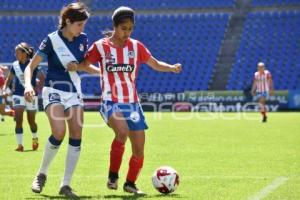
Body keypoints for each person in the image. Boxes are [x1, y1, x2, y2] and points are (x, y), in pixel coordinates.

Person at [67, 6, 182, 195]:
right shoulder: (101, 46)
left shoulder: (136, 47)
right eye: (123, 28)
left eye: (130, 28)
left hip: (133, 103)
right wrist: (75, 66)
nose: (126, 32)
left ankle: (130, 183)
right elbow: (86, 64)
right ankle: (113, 176)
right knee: (122, 132)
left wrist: (171, 68)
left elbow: (154, 63)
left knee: (139, 150)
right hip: (110, 101)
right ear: (115, 26)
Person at [23, 2, 98, 198]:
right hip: (53, 90)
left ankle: (65, 185)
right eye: (79, 25)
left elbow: (84, 66)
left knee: (76, 133)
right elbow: (30, 67)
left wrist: (102, 73)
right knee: (58, 131)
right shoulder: (51, 40)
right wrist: (29, 86)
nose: (82, 29)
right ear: (67, 21)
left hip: (74, 92)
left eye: (84, 25)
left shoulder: (83, 39)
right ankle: (41, 174)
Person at [2, 44, 43, 151]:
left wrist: (39, 88)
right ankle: (20, 145)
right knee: (18, 119)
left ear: (24, 53)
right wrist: (4, 88)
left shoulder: (33, 63)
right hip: (18, 94)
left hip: (31, 95)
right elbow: (9, 79)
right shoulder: (14, 65)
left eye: (17, 53)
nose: (15, 55)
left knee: (31, 121)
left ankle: (35, 138)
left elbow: (42, 77)